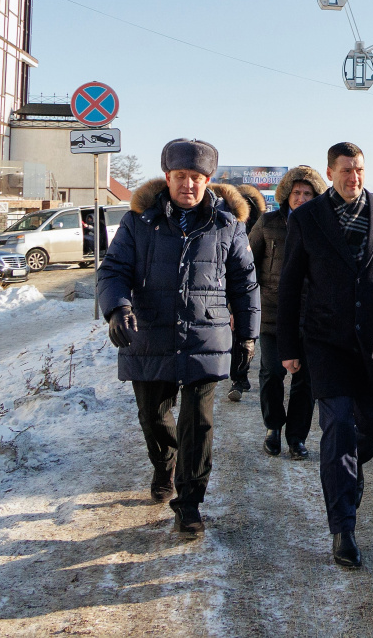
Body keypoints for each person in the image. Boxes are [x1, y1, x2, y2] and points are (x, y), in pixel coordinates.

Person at [97, 138, 257, 540]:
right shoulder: (140, 222)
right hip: (149, 331)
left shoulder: (227, 225)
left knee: (198, 423)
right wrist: (118, 308)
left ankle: (188, 503)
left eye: (197, 178)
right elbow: (113, 269)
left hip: (207, 333)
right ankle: (164, 461)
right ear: (167, 178)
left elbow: (245, 283)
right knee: (153, 416)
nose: (189, 185)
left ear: (209, 181)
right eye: (181, 176)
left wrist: (248, 338)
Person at [280, 141, 373, 569]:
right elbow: (289, 285)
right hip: (327, 341)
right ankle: (343, 530)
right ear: (330, 171)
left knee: (372, 430)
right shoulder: (306, 218)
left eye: (358, 169)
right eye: (344, 171)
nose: (353, 177)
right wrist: (288, 347)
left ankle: (347, 476)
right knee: (336, 426)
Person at [248, 166, 324, 458]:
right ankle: (273, 427)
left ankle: (296, 437)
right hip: (271, 314)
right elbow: (247, 266)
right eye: (297, 193)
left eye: (307, 193)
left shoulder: (321, 226)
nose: (302, 198)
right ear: (286, 195)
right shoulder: (267, 223)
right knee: (271, 373)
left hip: (311, 316)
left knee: (306, 382)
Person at [226, 184, 266, 401]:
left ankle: (242, 376)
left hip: (257, 290)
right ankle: (238, 378)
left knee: (249, 338)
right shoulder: (227, 224)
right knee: (237, 336)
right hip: (234, 290)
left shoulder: (261, 227)